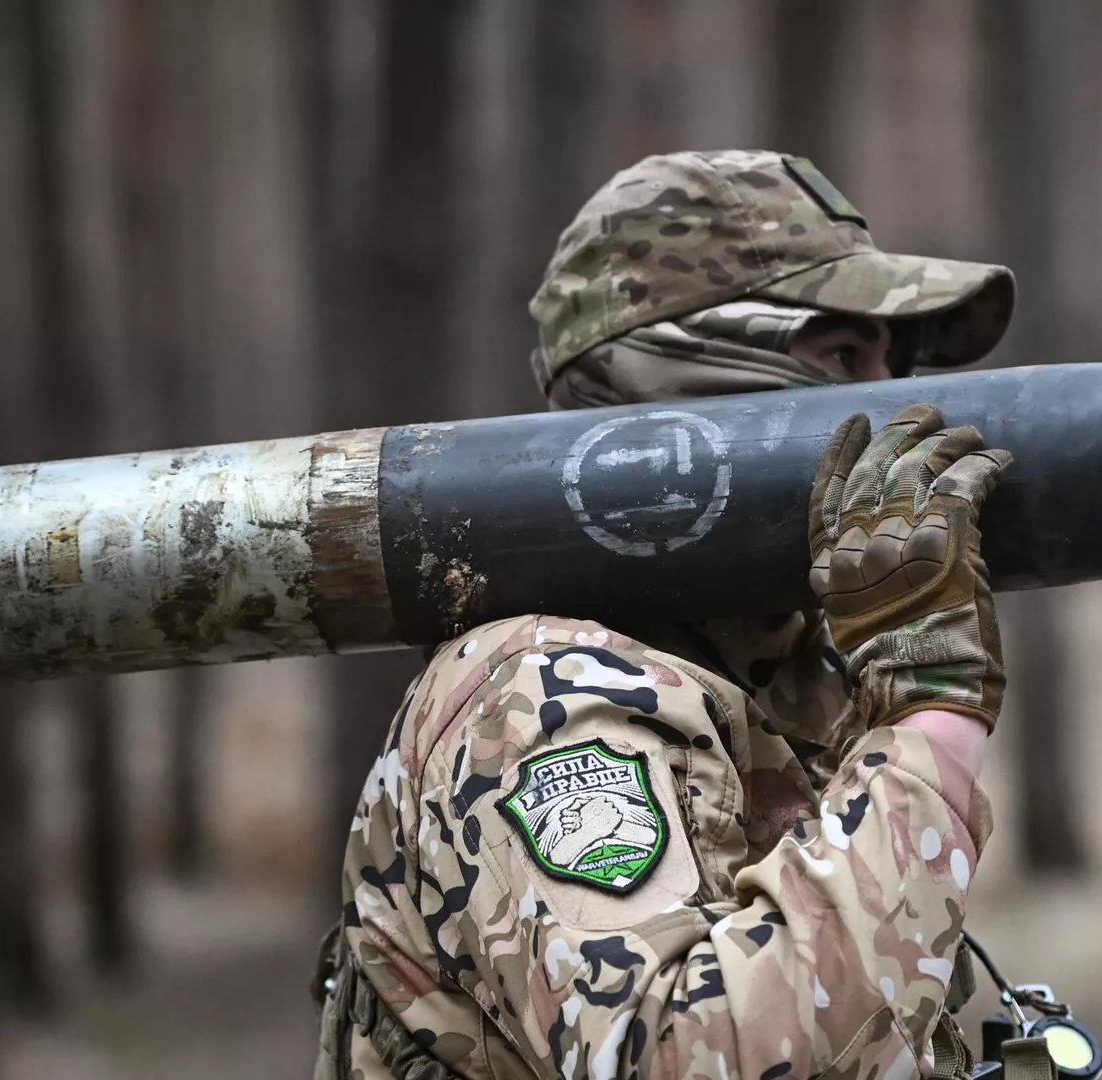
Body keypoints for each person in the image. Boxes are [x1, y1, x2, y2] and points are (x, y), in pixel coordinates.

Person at [313, 150, 1027, 1080]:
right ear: (682, 377)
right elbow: (677, 1058)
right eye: (845, 356)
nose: (898, 403)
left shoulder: (770, 666)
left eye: (896, 361)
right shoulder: (539, 692)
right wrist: (932, 711)